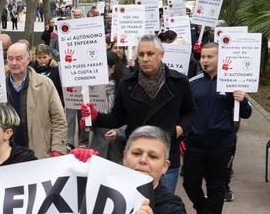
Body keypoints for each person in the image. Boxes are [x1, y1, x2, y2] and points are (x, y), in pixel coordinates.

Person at [82, 34, 196, 193]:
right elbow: (117, 118)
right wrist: (95, 117)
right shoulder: (127, 83)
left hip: (166, 152)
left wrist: (179, 130)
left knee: (163, 205)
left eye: (150, 54)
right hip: (136, 155)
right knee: (136, 205)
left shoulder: (179, 82)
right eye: (141, 54)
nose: (145, 59)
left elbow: (190, 112)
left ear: (161, 55)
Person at [183, 42, 251, 214]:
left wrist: (243, 99)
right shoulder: (192, 83)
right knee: (190, 183)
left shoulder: (233, 84)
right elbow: (184, 111)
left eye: (210, 57)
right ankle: (202, 209)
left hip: (221, 144)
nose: (205, 60)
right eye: (203, 57)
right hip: (195, 143)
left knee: (217, 186)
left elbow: (246, 113)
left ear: (221, 59)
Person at [4, 41, 67, 159]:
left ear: (28, 59)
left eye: (18, 58)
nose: (14, 63)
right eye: (10, 58)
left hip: (38, 154)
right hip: (6, 156)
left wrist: (57, 149)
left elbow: (58, 119)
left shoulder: (45, 84)